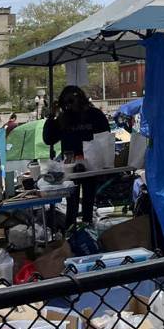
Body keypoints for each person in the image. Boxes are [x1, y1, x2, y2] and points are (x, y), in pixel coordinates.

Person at [43, 86, 110, 227]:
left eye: (72, 101)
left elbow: (106, 137)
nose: (70, 106)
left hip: (91, 164)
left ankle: (87, 226)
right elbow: (48, 139)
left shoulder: (94, 115)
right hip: (70, 164)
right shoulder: (63, 118)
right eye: (66, 103)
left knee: (88, 200)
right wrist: (52, 116)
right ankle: (71, 230)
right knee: (71, 203)